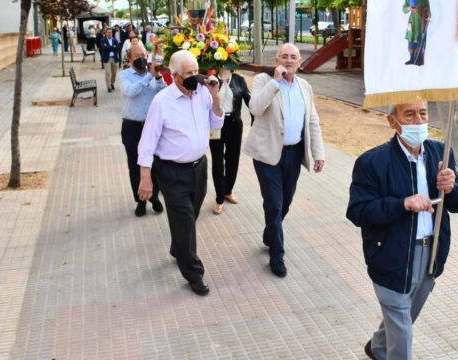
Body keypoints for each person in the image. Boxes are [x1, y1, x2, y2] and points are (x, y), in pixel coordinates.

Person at [346, 100, 458, 360]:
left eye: (422, 113)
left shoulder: (441, 153)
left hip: (431, 252)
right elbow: (358, 211)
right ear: (393, 122)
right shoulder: (371, 162)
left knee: (405, 315)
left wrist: (452, 187)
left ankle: (377, 347)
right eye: (409, 114)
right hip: (391, 253)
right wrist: (402, 203)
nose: (418, 121)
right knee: (402, 329)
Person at [137, 50, 224, 296]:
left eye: (197, 71)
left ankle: (179, 247)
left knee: (190, 215)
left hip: (199, 168)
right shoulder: (162, 102)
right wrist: (145, 179)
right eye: (189, 73)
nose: (195, 77)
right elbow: (147, 143)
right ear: (174, 76)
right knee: (185, 222)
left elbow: (217, 125)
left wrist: (215, 99)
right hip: (172, 172)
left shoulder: (203, 95)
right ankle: (194, 273)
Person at [243, 43, 325, 278]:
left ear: (299, 62)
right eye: (284, 57)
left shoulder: (305, 87)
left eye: (293, 57)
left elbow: (312, 121)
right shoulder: (263, 81)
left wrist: (318, 153)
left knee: (285, 202)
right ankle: (276, 255)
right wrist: (275, 82)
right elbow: (255, 108)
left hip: (293, 153)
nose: (289, 61)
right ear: (277, 60)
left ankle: (271, 232)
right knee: (274, 203)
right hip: (267, 154)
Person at [120, 45, 166, 217]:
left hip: (151, 127)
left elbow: (164, 94)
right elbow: (131, 92)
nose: (141, 58)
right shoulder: (125, 75)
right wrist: (149, 76)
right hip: (132, 126)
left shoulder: (153, 74)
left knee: (154, 164)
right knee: (135, 166)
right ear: (130, 59)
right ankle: (140, 201)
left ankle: (154, 197)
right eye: (137, 55)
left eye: (143, 55)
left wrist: (159, 77)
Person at [209, 68, 251, 215]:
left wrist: (257, 119)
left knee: (233, 160)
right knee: (218, 162)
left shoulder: (239, 79)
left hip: (234, 122)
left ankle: (228, 191)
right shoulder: (211, 78)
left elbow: (249, 99)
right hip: (216, 123)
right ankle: (219, 198)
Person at [403, 0, 430, 66]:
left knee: (420, 39)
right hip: (412, 20)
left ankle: (418, 60)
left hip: (421, 20)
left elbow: (427, 5)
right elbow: (404, 8)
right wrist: (409, 8)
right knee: (411, 40)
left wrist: (428, 15)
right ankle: (411, 59)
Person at [99, 28, 120, 92]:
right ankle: (108, 87)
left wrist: (110, 47)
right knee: (108, 73)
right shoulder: (103, 40)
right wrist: (113, 47)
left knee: (114, 73)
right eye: (108, 32)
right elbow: (103, 48)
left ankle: (112, 83)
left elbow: (117, 48)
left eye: (111, 32)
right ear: (106, 33)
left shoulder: (115, 40)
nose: (110, 33)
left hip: (114, 58)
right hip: (107, 58)